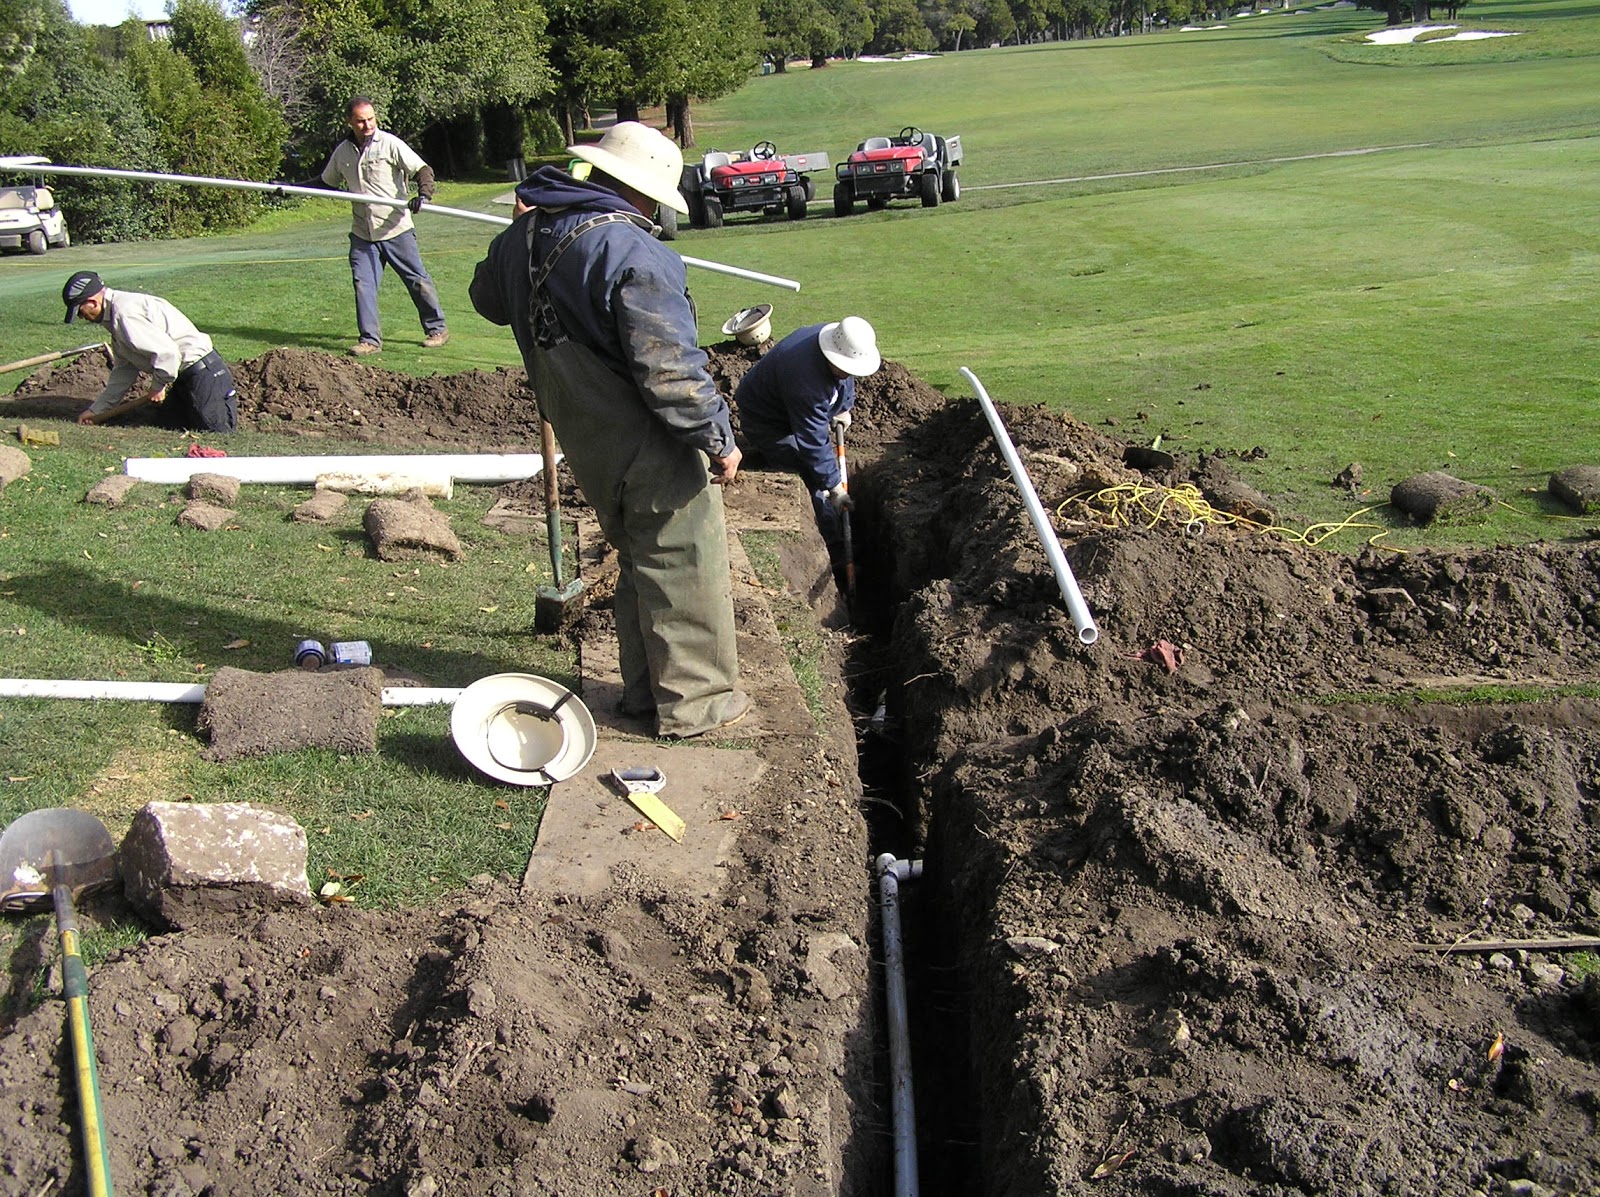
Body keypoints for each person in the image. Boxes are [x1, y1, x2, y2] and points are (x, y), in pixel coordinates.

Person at [468, 121, 750, 740]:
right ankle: (698, 702)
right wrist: (718, 438)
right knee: (684, 558)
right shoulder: (638, 255)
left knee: (637, 556)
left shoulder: (525, 235)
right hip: (645, 434)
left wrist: (517, 231)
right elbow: (670, 374)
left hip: (581, 431)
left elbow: (486, 300)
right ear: (644, 193)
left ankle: (647, 694)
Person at [732, 317, 880, 572]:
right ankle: (836, 551)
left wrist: (843, 407)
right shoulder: (805, 380)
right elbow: (812, 441)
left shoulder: (838, 343)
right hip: (765, 421)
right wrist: (834, 487)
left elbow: (845, 377)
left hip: (789, 406)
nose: (848, 373)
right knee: (812, 476)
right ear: (831, 357)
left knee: (820, 466)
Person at [316, 96, 449, 357]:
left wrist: (423, 195)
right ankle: (370, 340)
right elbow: (325, 182)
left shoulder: (389, 144)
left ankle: (437, 329)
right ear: (350, 122)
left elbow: (422, 169)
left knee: (417, 280)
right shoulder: (343, 151)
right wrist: (287, 189)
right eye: (360, 121)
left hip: (395, 228)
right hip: (363, 233)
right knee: (363, 284)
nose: (367, 125)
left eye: (370, 119)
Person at [62, 270, 238, 432]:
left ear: (92, 302)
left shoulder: (124, 314)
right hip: (184, 378)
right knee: (168, 426)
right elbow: (124, 370)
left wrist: (157, 386)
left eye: (80, 311)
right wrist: (97, 410)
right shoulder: (115, 317)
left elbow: (167, 354)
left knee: (216, 432)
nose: (82, 317)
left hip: (205, 375)